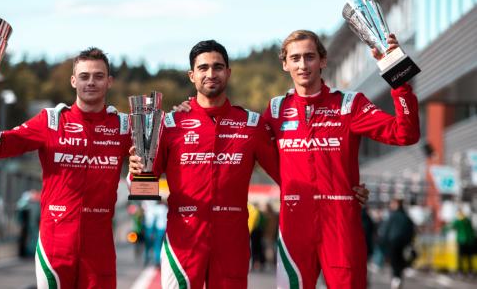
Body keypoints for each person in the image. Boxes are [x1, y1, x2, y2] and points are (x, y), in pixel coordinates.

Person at [129, 40, 369, 288]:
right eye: (203, 68)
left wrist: (343, 190)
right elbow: (142, 188)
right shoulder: (170, 124)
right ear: (192, 75)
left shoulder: (252, 124)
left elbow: (289, 171)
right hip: (185, 239)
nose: (211, 74)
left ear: (228, 72)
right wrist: (137, 171)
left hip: (232, 241)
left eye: (218, 67)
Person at [262, 30, 420, 288]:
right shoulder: (276, 109)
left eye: (310, 57)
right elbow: (246, 146)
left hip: (341, 225)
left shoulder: (349, 104)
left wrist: (397, 73)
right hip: (294, 225)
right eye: (296, 58)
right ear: (285, 63)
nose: (303, 65)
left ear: (323, 61)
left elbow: (406, 134)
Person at [0, 48, 131, 289]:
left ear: (109, 82)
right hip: (55, 242)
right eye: (84, 76)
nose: (91, 82)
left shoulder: (124, 125)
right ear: (73, 80)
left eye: (98, 76)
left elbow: (155, 161)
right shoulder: (51, 120)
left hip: (100, 246)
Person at [380, 198, 415, 289]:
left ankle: (395, 279)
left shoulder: (392, 216)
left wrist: (383, 243)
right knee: (400, 262)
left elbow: (385, 230)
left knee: (394, 262)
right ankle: (398, 278)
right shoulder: (406, 217)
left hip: (392, 242)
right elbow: (411, 230)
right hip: (404, 243)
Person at [448, 209, 476, 276]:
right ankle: (470, 271)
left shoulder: (458, 221)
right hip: (469, 241)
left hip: (462, 241)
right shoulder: (468, 220)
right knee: (469, 257)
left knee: (461, 257)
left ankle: (461, 271)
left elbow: (450, 228)